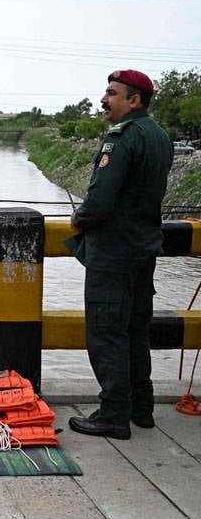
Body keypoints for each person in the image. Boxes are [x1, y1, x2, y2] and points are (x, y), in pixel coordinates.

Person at [67, 69, 173, 440]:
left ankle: (113, 414)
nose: (104, 99)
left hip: (112, 253)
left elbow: (100, 200)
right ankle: (141, 408)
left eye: (112, 93)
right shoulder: (160, 136)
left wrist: (79, 218)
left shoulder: (120, 138)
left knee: (107, 332)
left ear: (134, 100)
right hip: (144, 249)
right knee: (135, 329)